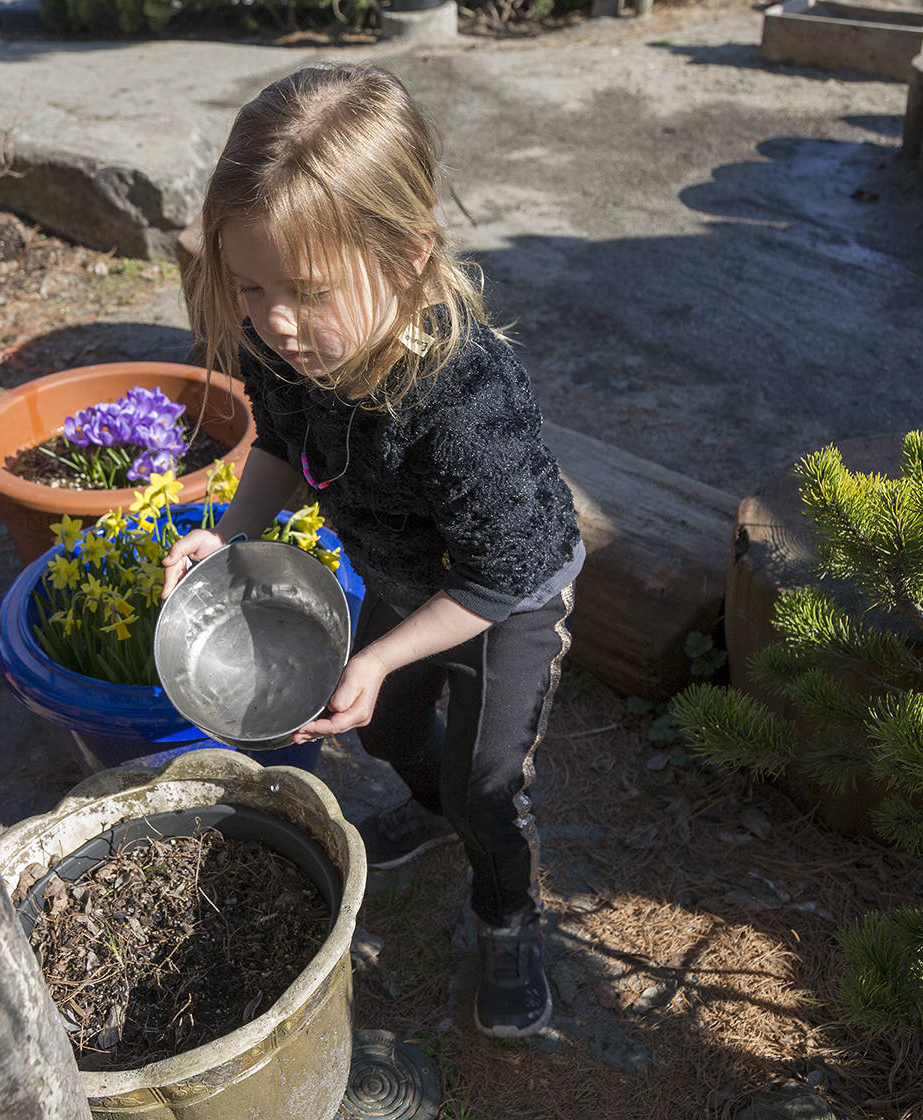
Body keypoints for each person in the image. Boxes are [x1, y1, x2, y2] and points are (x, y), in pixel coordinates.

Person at [161, 62, 585, 1039]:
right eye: (252, 285)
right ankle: (433, 803)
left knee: (489, 779)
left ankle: (507, 910)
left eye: (303, 291)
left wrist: (383, 651)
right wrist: (227, 538)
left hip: (507, 594)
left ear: (405, 257)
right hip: (407, 578)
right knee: (389, 729)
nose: (272, 320)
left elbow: (495, 573)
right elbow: (277, 444)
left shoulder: (466, 403)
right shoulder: (290, 347)